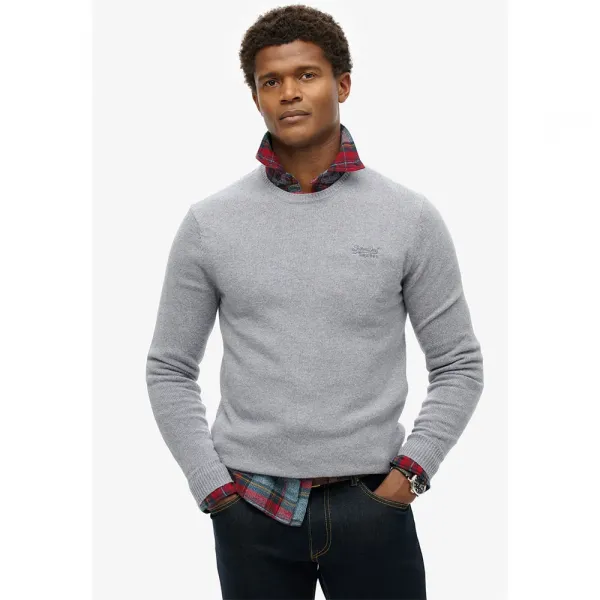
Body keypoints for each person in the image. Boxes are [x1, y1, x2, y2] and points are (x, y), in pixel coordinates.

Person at [146, 5, 484, 599]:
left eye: (307, 75)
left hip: (373, 502)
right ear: (256, 98)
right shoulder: (210, 224)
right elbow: (169, 368)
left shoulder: (408, 217)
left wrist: (411, 474)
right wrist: (212, 488)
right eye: (270, 81)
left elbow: (458, 363)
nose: (289, 93)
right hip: (250, 506)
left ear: (342, 85)